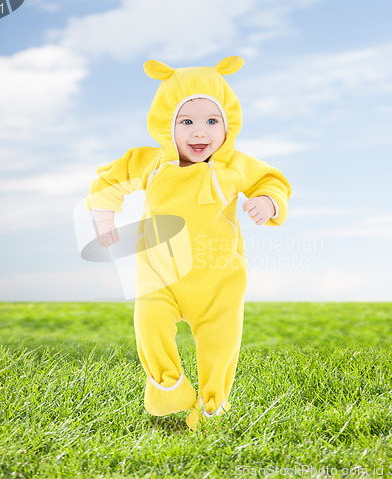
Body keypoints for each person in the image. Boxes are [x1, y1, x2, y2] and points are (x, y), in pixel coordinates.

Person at [86, 56, 291, 431]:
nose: (200, 132)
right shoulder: (151, 162)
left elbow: (270, 180)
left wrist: (268, 202)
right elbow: (110, 180)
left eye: (212, 121)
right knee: (149, 322)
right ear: (167, 124)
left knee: (221, 342)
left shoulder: (233, 166)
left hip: (219, 280)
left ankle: (212, 405)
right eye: (187, 121)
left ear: (228, 123)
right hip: (160, 277)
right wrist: (103, 217)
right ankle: (169, 385)